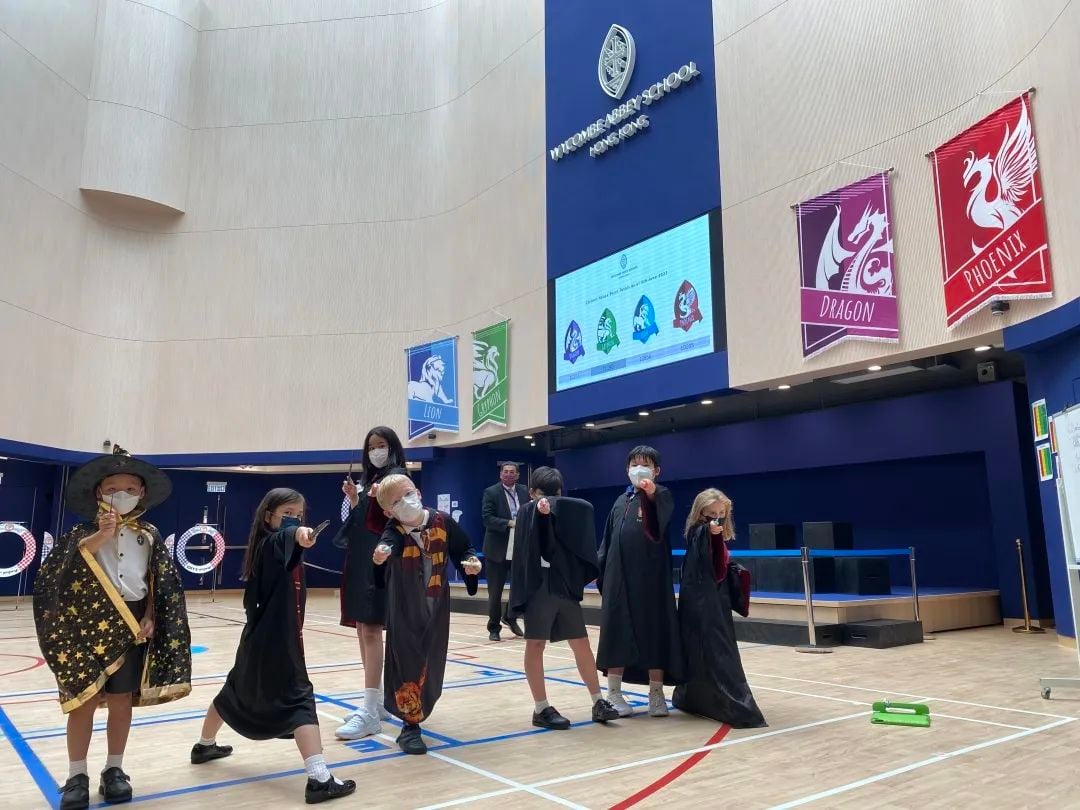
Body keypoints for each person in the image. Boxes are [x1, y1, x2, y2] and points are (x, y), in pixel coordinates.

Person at [33, 448, 191, 810]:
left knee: (121, 700)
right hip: (85, 626)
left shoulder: (149, 534)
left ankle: (114, 769)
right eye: (113, 489)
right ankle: (76, 775)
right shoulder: (81, 533)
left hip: (133, 623)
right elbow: (58, 576)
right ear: (98, 493)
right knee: (83, 700)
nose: (122, 495)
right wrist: (102, 535)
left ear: (142, 493)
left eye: (130, 489)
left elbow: (158, 581)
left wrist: (151, 615)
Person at [191, 488, 356, 804]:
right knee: (301, 700)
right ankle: (319, 778)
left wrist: (298, 535)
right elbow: (288, 537)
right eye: (287, 514)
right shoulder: (271, 544)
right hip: (277, 640)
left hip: (257, 638)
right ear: (269, 517)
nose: (294, 520)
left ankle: (204, 746)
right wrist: (300, 532)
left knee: (233, 691)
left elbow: (291, 543)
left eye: (298, 515)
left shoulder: (271, 547)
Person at [373, 475, 482, 754]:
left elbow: (463, 549)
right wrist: (381, 556)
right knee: (405, 658)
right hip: (404, 605)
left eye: (408, 494)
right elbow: (388, 544)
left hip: (436, 604)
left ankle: (422, 707)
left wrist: (471, 564)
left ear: (418, 492)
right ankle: (410, 726)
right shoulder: (395, 529)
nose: (405, 502)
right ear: (388, 512)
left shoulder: (442, 521)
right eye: (396, 502)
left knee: (432, 658)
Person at [510, 467, 620, 729]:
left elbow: (583, 512)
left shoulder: (570, 510)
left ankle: (598, 701)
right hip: (538, 584)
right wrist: (540, 513)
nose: (548, 499)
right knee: (536, 643)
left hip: (563, 582)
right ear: (532, 493)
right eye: (542, 494)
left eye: (555, 494)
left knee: (581, 641)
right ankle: (541, 708)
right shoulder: (526, 512)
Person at [596, 445, 684, 718]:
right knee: (616, 632)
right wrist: (599, 569)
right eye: (634, 465)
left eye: (645, 465)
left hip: (650, 579)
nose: (639, 469)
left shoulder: (662, 495)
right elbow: (607, 539)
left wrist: (650, 492)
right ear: (627, 469)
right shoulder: (620, 500)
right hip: (618, 578)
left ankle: (656, 693)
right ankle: (614, 693)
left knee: (655, 631)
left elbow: (659, 520)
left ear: (657, 471)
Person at [331, 426, 407, 740]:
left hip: (380, 560)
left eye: (381, 445)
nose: (376, 451)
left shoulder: (397, 478)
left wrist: (378, 499)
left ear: (392, 447)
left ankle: (370, 712)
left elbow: (401, 518)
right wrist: (355, 498)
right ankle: (375, 702)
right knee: (363, 628)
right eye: (371, 446)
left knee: (372, 629)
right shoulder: (371, 480)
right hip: (361, 558)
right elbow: (362, 520)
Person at [673, 489, 766, 728]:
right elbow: (701, 537)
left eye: (721, 513)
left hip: (714, 599)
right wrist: (709, 532)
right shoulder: (699, 532)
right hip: (704, 602)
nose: (717, 518)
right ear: (700, 512)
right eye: (711, 513)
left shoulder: (709, 534)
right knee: (715, 648)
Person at [480, 463, 528, 641]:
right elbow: (487, 518)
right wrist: (509, 523)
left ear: (518, 475)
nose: (508, 474)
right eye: (505, 472)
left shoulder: (524, 491)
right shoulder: (491, 492)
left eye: (512, 472)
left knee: (520, 588)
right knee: (495, 592)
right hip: (497, 549)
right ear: (500, 475)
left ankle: (510, 616)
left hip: (519, 547)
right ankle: (494, 627)